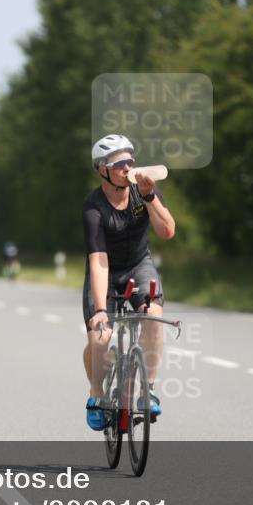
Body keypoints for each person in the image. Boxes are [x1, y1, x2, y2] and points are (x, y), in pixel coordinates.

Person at [82, 134, 176, 431]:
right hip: (106, 270)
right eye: (119, 163)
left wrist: (150, 199)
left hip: (139, 264)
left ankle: (147, 389)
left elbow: (167, 231)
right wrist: (100, 309)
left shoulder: (145, 190)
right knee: (100, 335)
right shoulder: (93, 207)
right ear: (102, 170)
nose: (128, 167)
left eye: (130, 161)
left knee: (153, 316)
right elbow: (98, 260)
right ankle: (96, 395)